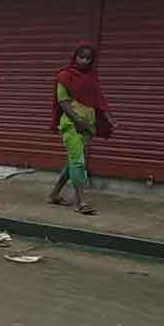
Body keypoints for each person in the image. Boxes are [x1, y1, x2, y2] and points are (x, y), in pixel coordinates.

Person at [49, 42, 116, 215]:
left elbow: (99, 99)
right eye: (81, 57)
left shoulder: (92, 76)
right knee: (78, 162)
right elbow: (62, 101)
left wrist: (109, 118)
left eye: (88, 58)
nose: (84, 61)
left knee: (73, 160)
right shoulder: (65, 75)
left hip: (88, 126)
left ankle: (54, 194)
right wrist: (77, 120)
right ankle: (80, 202)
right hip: (71, 125)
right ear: (75, 56)